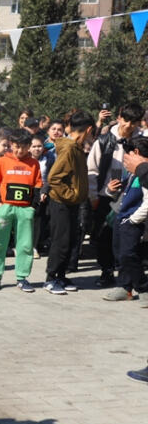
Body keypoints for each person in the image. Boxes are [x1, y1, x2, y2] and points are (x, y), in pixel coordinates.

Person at [86, 103, 144, 288]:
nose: (128, 125)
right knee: (104, 237)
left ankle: (127, 276)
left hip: (135, 195)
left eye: (133, 122)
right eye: (126, 120)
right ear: (119, 117)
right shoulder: (103, 141)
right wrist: (97, 194)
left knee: (129, 239)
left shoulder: (142, 142)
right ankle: (107, 271)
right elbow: (91, 171)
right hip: (107, 196)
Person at [0, 129, 43, 293]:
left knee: (25, 244)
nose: (20, 151)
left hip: (25, 210)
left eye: (24, 147)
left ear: (29, 147)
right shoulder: (3, 161)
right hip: (5, 207)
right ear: (11, 145)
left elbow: (38, 187)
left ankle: (22, 277)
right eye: (16, 147)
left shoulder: (34, 163)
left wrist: (33, 207)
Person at [44, 111, 94, 295]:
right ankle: (51, 278)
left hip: (72, 203)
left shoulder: (77, 147)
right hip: (61, 203)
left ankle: (61, 275)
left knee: (71, 240)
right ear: (88, 129)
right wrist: (71, 195)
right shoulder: (69, 148)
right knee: (61, 241)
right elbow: (54, 177)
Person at [104, 136, 148, 301]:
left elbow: (147, 203)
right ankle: (124, 287)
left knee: (129, 255)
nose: (124, 161)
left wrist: (133, 220)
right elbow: (120, 195)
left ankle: (143, 288)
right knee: (120, 255)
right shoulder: (131, 174)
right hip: (121, 219)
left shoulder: (144, 175)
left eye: (126, 157)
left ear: (136, 153)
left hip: (133, 222)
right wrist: (110, 190)